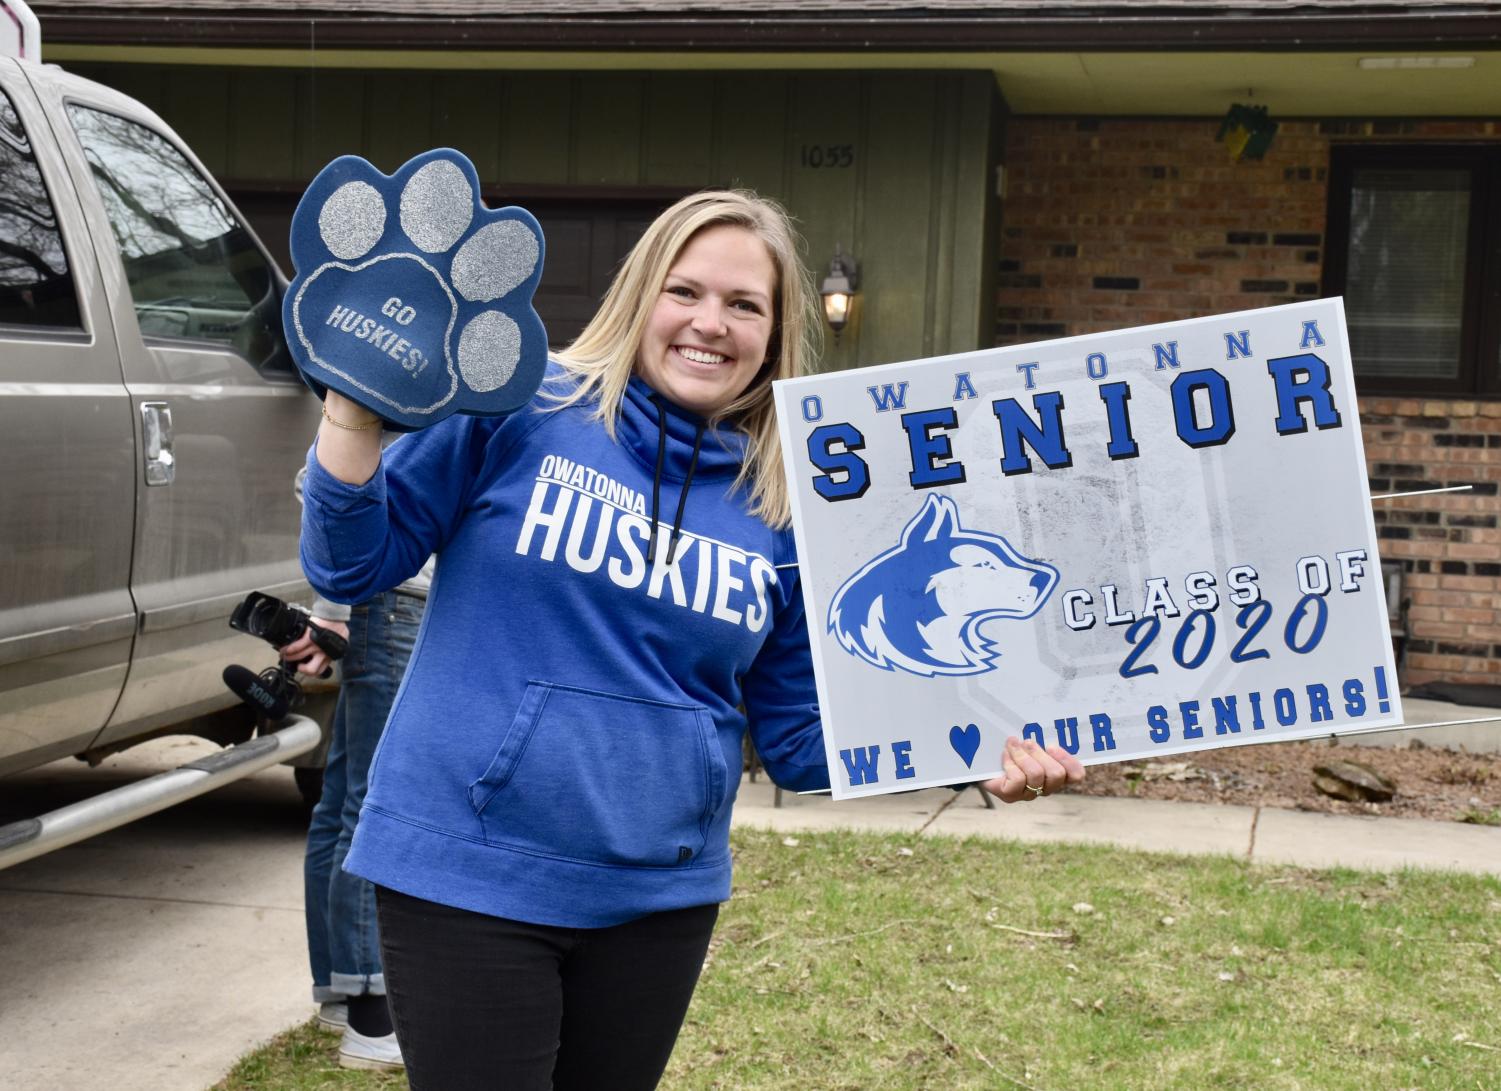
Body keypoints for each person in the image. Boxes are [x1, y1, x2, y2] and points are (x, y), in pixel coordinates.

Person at [298, 188, 1086, 1091]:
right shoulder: (522, 404)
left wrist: (972, 751)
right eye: (686, 292)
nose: (710, 324)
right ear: (641, 295)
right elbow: (354, 562)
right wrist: (350, 416)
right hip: (466, 871)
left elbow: (793, 739)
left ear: (773, 331)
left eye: (743, 305)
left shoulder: (784, 500)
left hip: (655, 896)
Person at [280, 476, 434, 1073]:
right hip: (395, 605)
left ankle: (343, 993)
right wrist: (333, 609)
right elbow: (322, 482)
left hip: (383, 605)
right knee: (372, 807)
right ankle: (372, 1018)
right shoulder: (408, 389)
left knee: (343, 799)